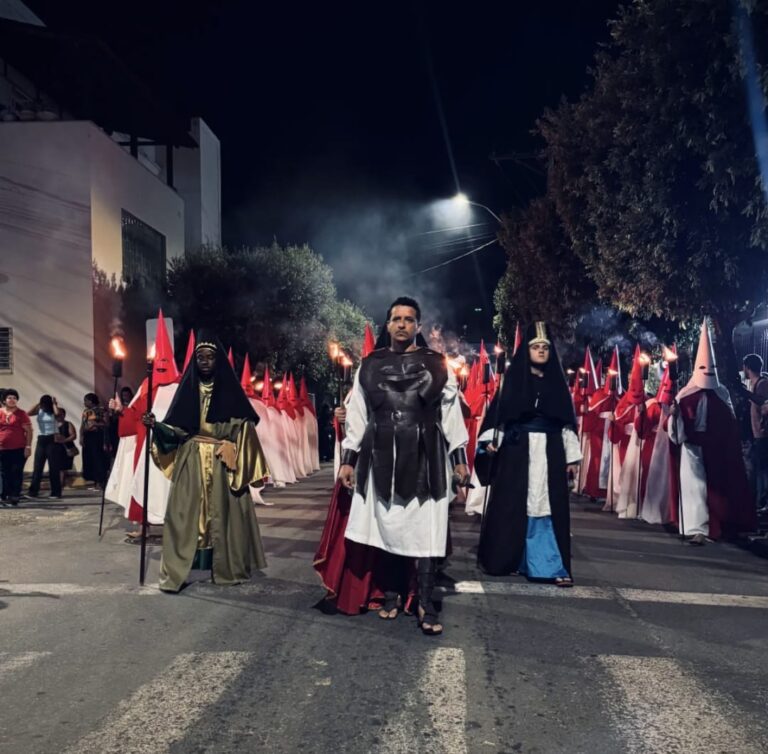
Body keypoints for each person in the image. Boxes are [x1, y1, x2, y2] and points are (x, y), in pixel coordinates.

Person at [333, 296, 469, 634]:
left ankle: (425, 601)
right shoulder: (370, 364)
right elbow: (359, 417)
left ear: (418, 326)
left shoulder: (438, 364)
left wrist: (460, 460)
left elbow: (451, 416)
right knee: (388, 524)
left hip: (427, 455)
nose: (402, 324)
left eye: (409, 319)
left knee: (425, 528)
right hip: (380, 454)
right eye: (396, 319)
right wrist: (348, 461)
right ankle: (392, 593)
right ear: (388, 324)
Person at [146, 330, 269, 593]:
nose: (204, 361)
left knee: (224, 515)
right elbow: (177, 430)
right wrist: (156, 427)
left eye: (210, 357)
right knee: (184, 514)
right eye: (199, 357)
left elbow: (244, 427)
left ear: (218, 362)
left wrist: (233, 447)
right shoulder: (187, 392)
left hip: (222, 462)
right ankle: (181, 566)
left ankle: (225, 565)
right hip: (191, 461)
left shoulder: (231, 396)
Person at [476, 322, 581, 586]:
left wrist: (571, 459)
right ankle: (508, 558)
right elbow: (497, 418)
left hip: (551, 450)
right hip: (516, 450)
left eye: (545, 347)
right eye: (536, 347)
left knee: (547, 506)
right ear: (527, 352)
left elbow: (566, 423)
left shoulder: (558, 386)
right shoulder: (511, 383)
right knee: (512, 504)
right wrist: (490, 441)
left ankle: (549, 564)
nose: (541, 351)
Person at [668, 320, 756, 544]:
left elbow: (730, 424)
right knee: (694, 487)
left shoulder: (722, 393)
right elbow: (675, 432)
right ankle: (697, 528)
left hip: (715, 448)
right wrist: (675, 416)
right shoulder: (685, 395)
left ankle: (719, 525)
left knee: (717, 487)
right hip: (692, 446)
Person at [741, 354, 768, 514]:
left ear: (747, 367)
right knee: (758, 468)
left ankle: (763, 501)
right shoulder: (754, 384)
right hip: (757, 433)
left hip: (764, 434)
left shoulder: (763, 384)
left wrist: (747, 395)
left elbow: (764, 403)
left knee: (763, 469)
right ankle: (759, 501)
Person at [27, 394, 63, 499]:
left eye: (44, 404)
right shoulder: (40, 411)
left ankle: (56, 493)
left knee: (53, 467)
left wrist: (54, 404)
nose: (43, 406)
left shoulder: (54, 411)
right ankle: (33, 492)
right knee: (37, 466)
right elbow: (28, 413)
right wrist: (38, 403)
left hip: (52, 439)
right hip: (41, 439)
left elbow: (58, 414)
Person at [0, 389, 32, 506]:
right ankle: (5, 495)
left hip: (19, 448)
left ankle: (15, 495)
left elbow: (29, 431)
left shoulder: (21, 414)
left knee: (16, 472)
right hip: (2, 449)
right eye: (9, 398)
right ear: (4, 400)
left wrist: (28, 447)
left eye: (14, 398)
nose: (12, 400)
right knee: (5, 472)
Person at [80, 393, 108, 489]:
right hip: (88, 436)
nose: (84, 403)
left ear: (91, 401)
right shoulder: (86, 411)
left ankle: (101, 482)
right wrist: (81, 436)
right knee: (89, 458)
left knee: (98, 459)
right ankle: (94, 481)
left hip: (97, 436)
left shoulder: (102, 410)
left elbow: (107, 423)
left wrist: (95, 424)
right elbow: (83, 424)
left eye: (86, 401)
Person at [53, 408, 78, 491]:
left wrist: (64, 440)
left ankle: (60, 485)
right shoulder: (53, 425)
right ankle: (60, 484)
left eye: (59, 415)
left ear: (63, 415)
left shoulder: (68, 424)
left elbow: (73, 435)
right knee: (57, 467)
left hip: (66, 448)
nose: (57, 416)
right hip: (55, 448)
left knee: (63, 468)